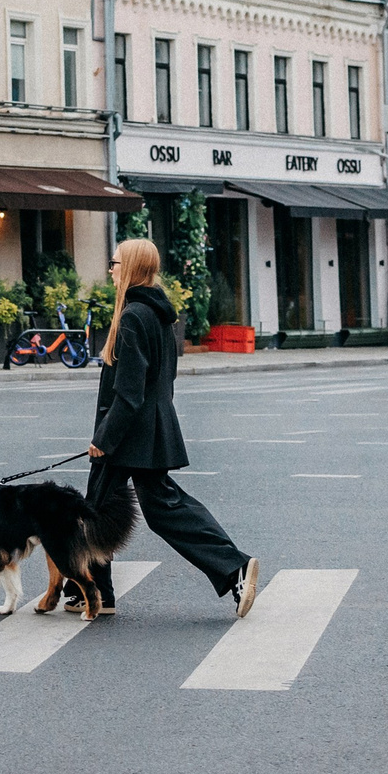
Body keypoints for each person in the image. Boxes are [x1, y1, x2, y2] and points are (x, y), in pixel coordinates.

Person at [86, 235, 258, 619]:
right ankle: (96, 591)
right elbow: (164, 378)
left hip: (130, 431)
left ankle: (234, 567)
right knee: (140, 506)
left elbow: (129, 392)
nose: (111, 270)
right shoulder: (158, 313)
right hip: (150, 428)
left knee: (111, 508)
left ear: (129, 268)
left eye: (114, 263)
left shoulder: (132, 316)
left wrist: (104, 438)